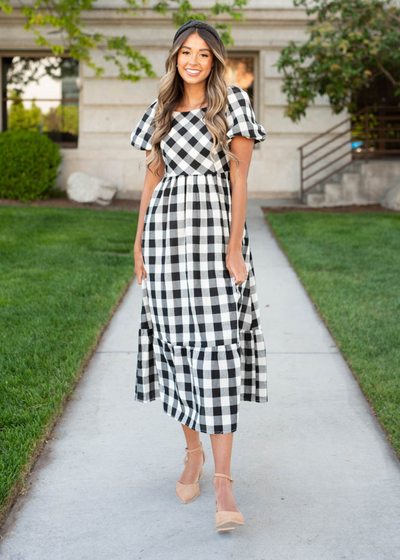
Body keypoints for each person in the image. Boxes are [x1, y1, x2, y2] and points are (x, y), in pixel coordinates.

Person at [130, 19, 268, 533]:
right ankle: (192, 455)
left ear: (215, 60)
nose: (193, 60)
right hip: (165, 245)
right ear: (175, 58)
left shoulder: (232, 105)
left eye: (203, 53)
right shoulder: (161, 110)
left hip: (213, 242)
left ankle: (224, 484)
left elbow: (240, 179)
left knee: (214, 350)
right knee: (177, 345)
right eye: (185, 52)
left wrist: (235, 249)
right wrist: (139, 240)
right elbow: (151, 179)